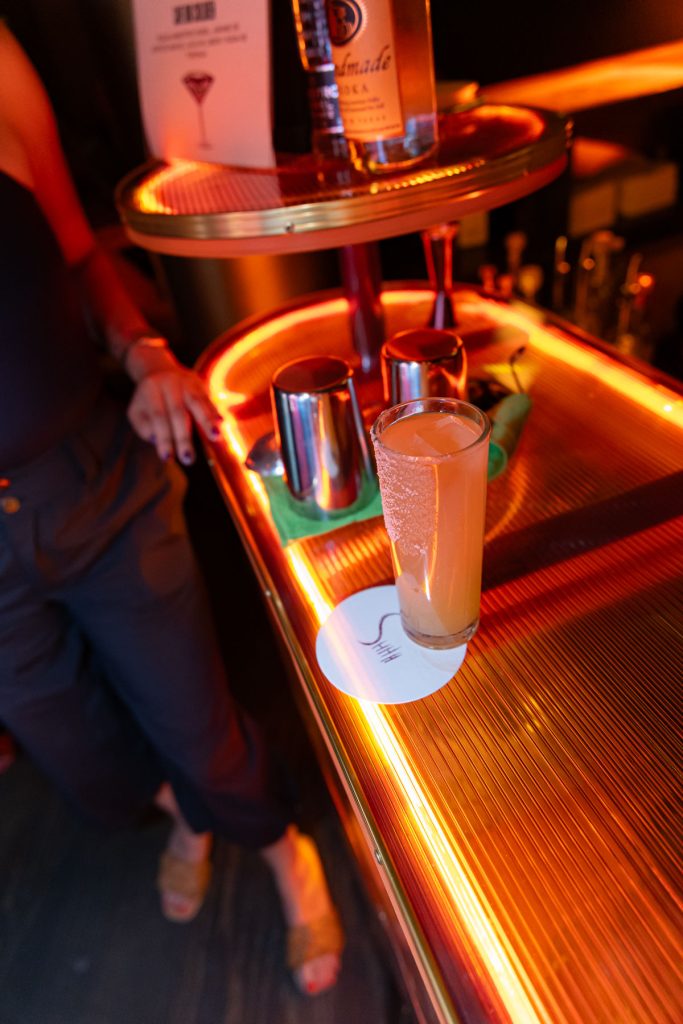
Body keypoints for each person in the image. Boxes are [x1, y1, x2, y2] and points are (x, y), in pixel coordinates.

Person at [0, 21, 343, 996]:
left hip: (94, 480)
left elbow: (76, 255)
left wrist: (144, 353)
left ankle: (280, 851)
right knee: (84, 763)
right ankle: (191, 816)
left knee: (200, 727)